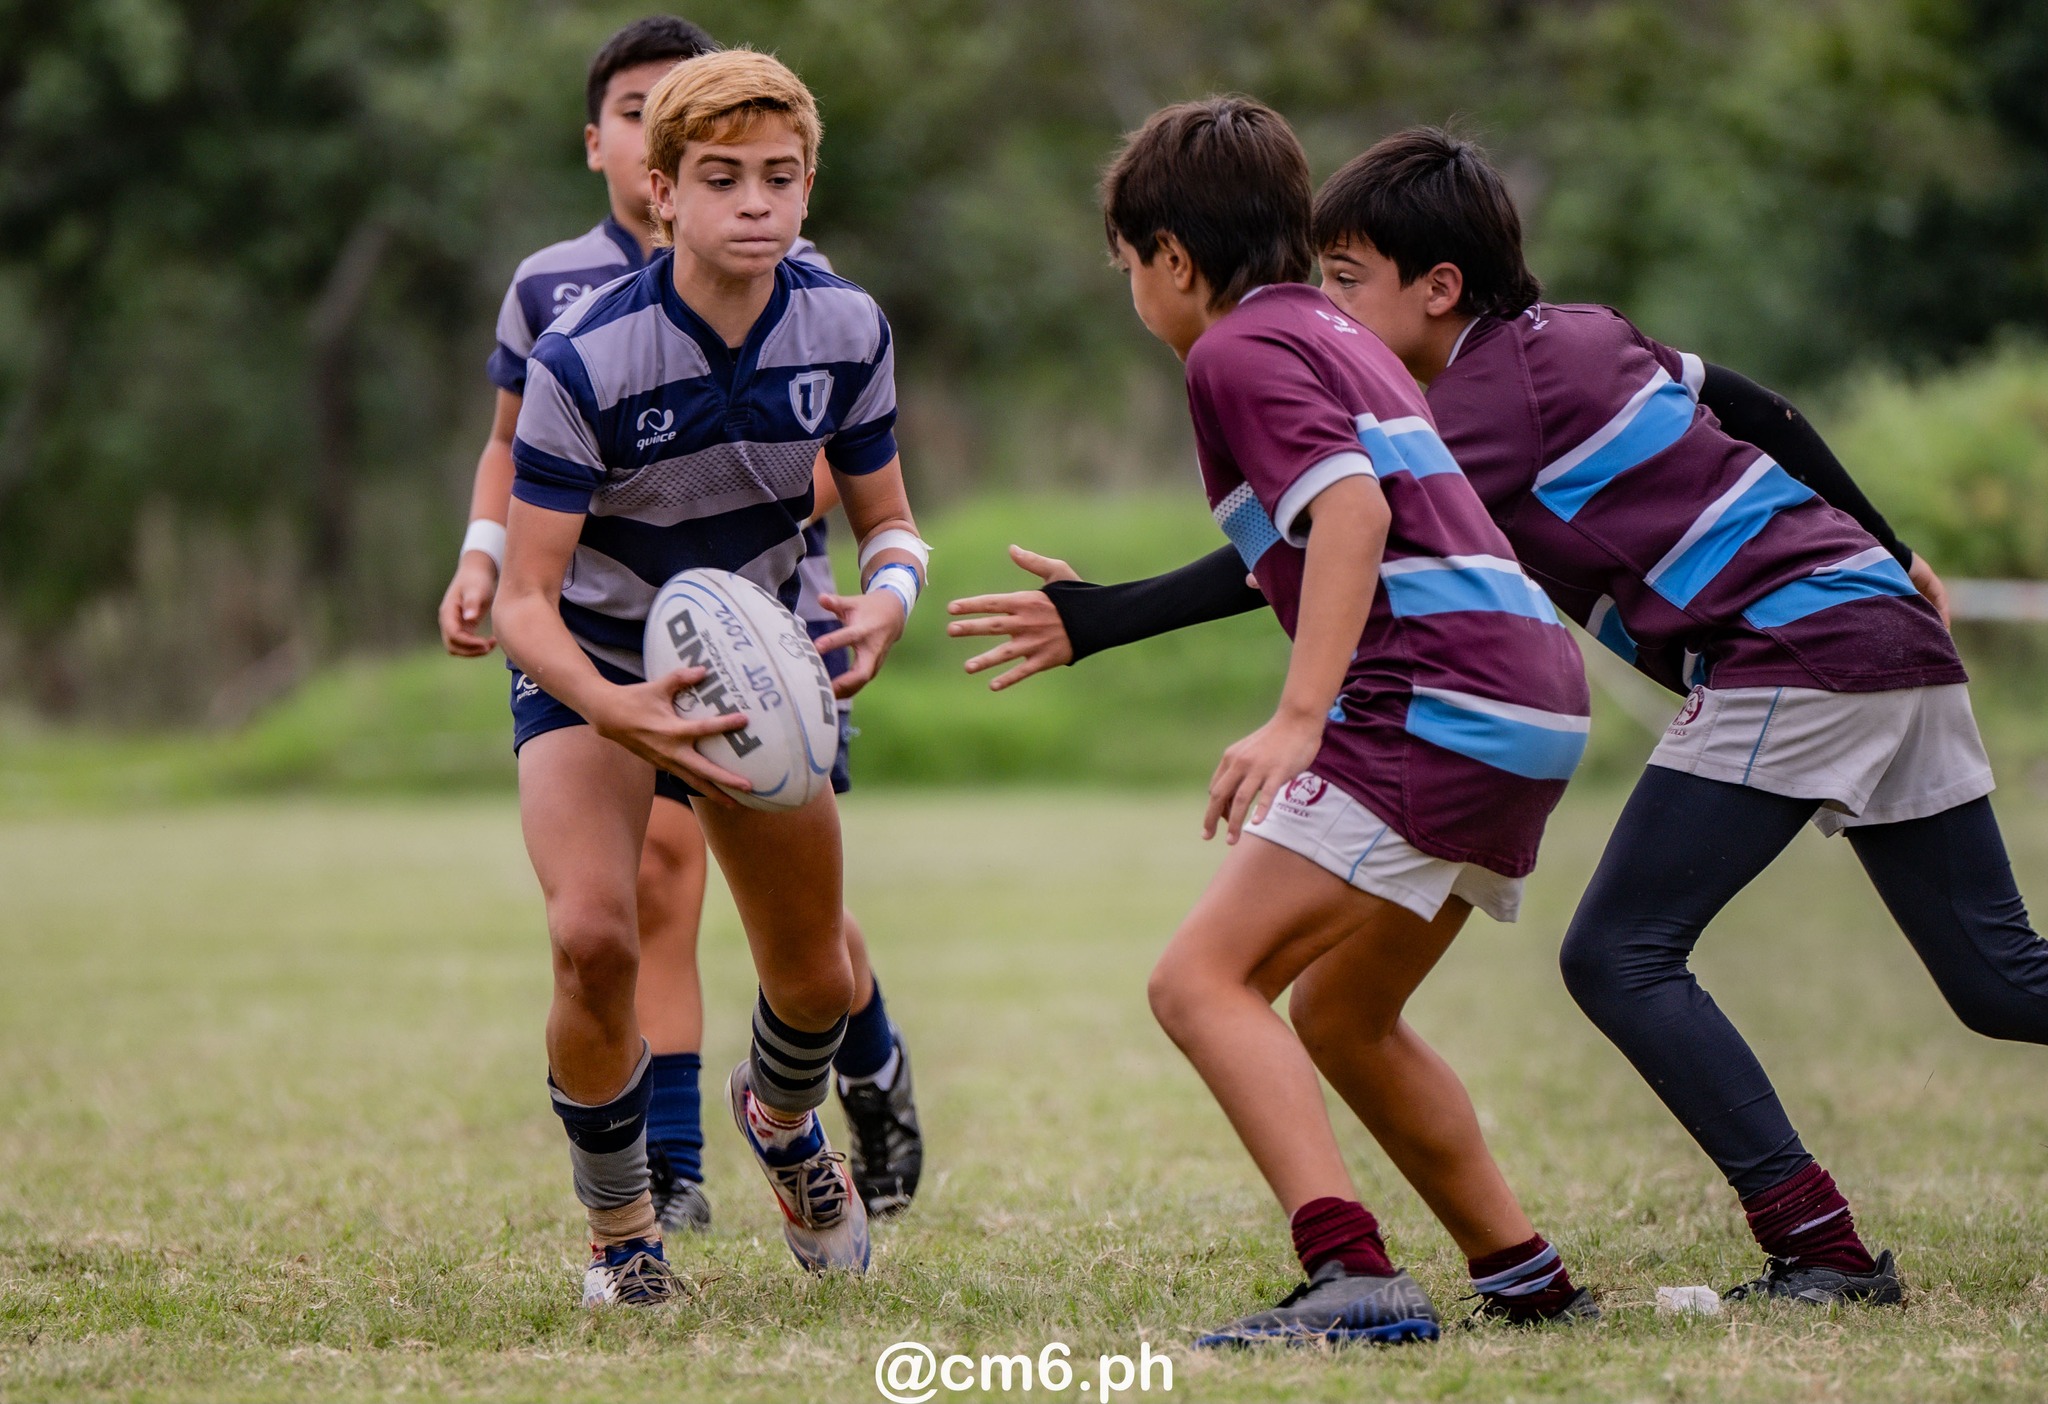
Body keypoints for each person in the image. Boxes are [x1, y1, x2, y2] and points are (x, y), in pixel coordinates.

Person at [952, 126, 2048, 1307]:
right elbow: (1760, 406)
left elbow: (1333, 527)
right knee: (1999, 982)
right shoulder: (1584, 333)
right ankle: (1575, 1270)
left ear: (1437, 287)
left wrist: (1128, 629)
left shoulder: (1473, 402)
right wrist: (1891, 550)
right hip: (1883, 627)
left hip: (1788, 651)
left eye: (1347, 280)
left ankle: (1818, 1246)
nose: (1330, 304)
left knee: (1617, 955)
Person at [1078, 97, 1597, 1346]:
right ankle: (1519, 1272)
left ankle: (1351, 1279)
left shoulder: (1235, 351)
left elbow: (1352, 513)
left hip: (1433, 702)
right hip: (1524, 692)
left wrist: (1298, 718)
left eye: (1128, 267)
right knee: (1342, 1014)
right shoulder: (1326, 325)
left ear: (1173, 261)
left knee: (1201, 983)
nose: (1133, 292)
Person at [435, 17, 922, 1240]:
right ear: (659, 188)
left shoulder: (845, 327)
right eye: (720, 178)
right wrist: (610, 707)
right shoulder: (582, 354)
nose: (753, 204)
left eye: (778, 178)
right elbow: (530, 604)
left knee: (813, 975)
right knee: (594, 939)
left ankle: (781, 1120)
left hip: (749, 662)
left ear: (809, 185)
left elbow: (892, 525)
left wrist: (888, 598)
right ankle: (622, 1233)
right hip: (593, 665)